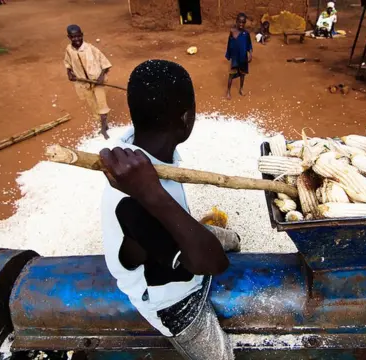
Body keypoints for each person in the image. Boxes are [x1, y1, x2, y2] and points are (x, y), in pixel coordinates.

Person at [100, 60, 238, 360]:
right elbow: (213, 264)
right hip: (170, 295)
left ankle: (223, 237)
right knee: (221, 357)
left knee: (230, 239)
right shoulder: (134, 200)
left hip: (166, 235)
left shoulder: (139, 153)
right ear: (187, 118)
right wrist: (152, 194)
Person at [63, 24, 113, 139]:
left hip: (96, 81)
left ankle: (104, 127)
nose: (76, 39)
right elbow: (67, 63)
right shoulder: (69, 50)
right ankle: (100, 123)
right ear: (69, 37)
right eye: (73, 37)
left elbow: (105, 63)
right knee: (92, 104)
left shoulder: (90, 49)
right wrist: (69, 72)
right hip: (83, 83)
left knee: (101, 103)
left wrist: (101, 77)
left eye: (78, 36)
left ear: (82, 35)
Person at [225, 13, 253, 100]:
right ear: (236, 22)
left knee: (242, 74)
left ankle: (241, 89)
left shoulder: (246, 33)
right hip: (235, 58)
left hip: (243, 58)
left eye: (243, 22)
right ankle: (228, 91)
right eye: (240, 22)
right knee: (231, 75)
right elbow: (229, 44)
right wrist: (228, 55)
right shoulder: (232, 31)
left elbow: (249, 45)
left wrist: (250, 54)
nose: (241, 24)